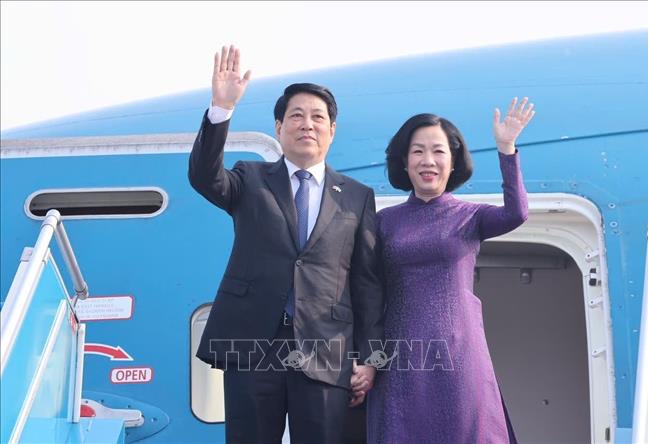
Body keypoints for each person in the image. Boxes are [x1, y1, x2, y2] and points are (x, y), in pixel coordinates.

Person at [189, 45, 384, 444]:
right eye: (296, 115)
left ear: (332, 130)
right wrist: (221, 109)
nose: (306, 124)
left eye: (317, 117)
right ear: (279, 128)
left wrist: (370, 358)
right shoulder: (251, 178)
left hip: (326, 347)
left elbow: (366, 282)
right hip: (253, 342)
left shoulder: (357, 196)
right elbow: (204, 177)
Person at [366, 98, 534, 443]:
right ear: (404, 162)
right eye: (418, 151)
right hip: (401, 357)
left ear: (453, 161)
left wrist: (506, 149)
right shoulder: (383, 222)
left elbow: (516, 213)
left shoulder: (470, 216)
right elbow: (366, 289)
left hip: (459, 353)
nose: (428, 161)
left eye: (438, 151)